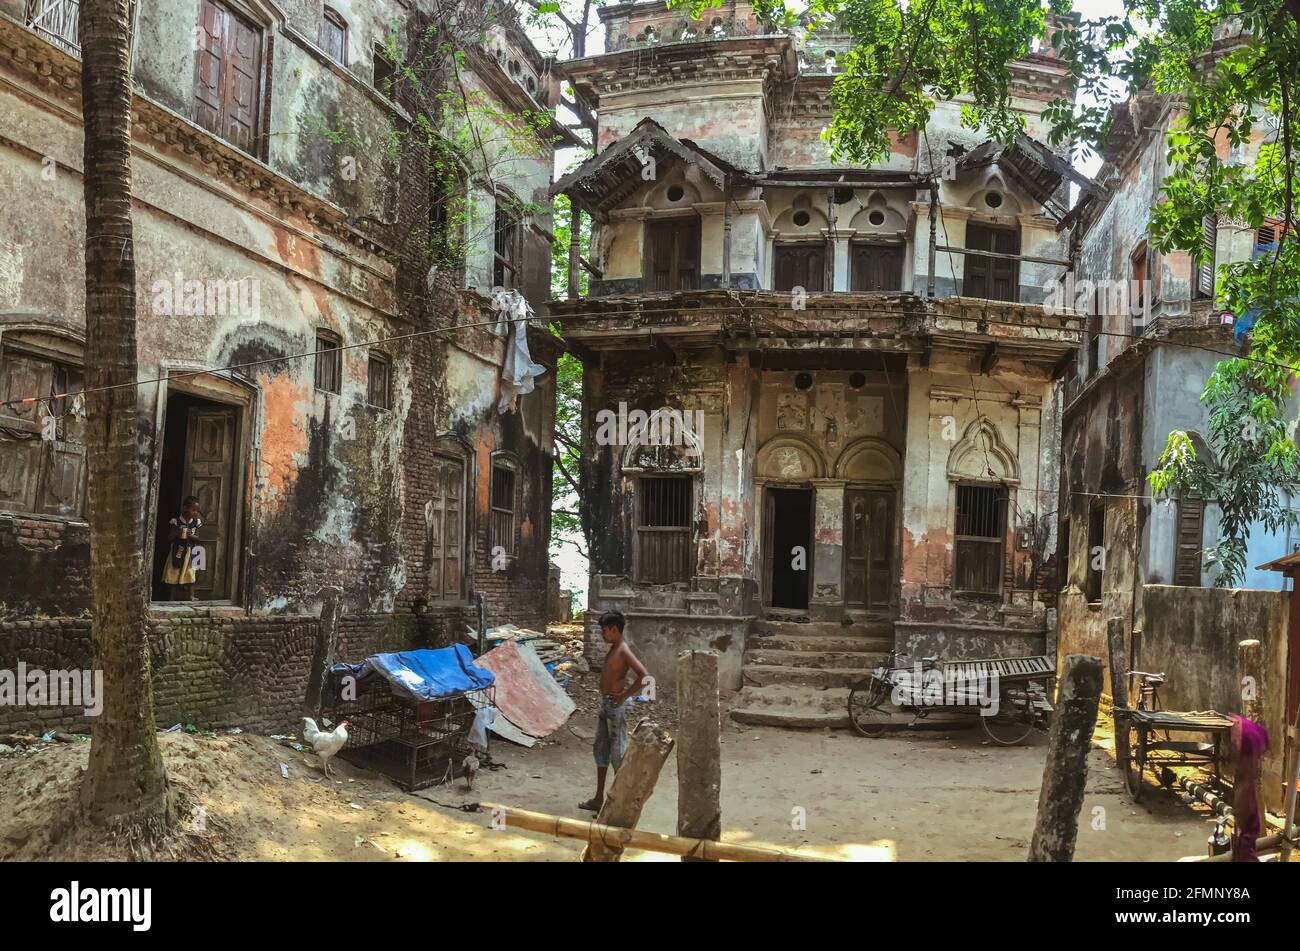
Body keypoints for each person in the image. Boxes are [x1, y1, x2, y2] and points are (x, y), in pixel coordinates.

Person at [579, 610, 648, 813]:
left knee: (618, 756)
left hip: (616, 707)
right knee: (601, 752)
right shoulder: (614, 648)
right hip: (606, 705)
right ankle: (599, 799)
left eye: (604, 630)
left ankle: (620, 806)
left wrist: (625, 695)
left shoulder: (623, 650)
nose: (602, 634)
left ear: (614, 630)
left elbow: (644, 676)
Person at [162, 496, 203, 601]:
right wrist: (177, 532)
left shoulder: (196, 522)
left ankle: (190, 596)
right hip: (178, 550)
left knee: (191, 572)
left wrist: (190, 535)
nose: (195, 513)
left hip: (191, 551)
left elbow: (198, 538)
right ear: (185, 508)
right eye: (193, 510)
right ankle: (171, 597)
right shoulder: (175, 521)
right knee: (174, 572)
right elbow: (169, 538)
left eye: (197, 511)